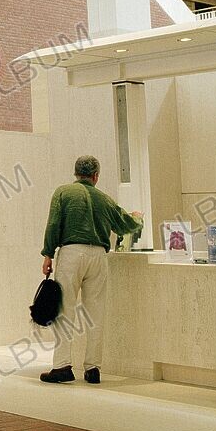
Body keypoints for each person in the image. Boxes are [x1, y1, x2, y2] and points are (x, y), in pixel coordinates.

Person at [39, 155, 143, 385]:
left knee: (64, 309)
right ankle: (93, 368)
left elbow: (54, 224)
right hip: (98, 255)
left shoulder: (63, 193)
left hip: (71, 253)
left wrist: (48, 253)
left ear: (76, 173)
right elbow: (125, 224)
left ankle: (62, 366)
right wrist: (138, 218)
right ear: (96, 176)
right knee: (95, 312)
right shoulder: (104, 199)